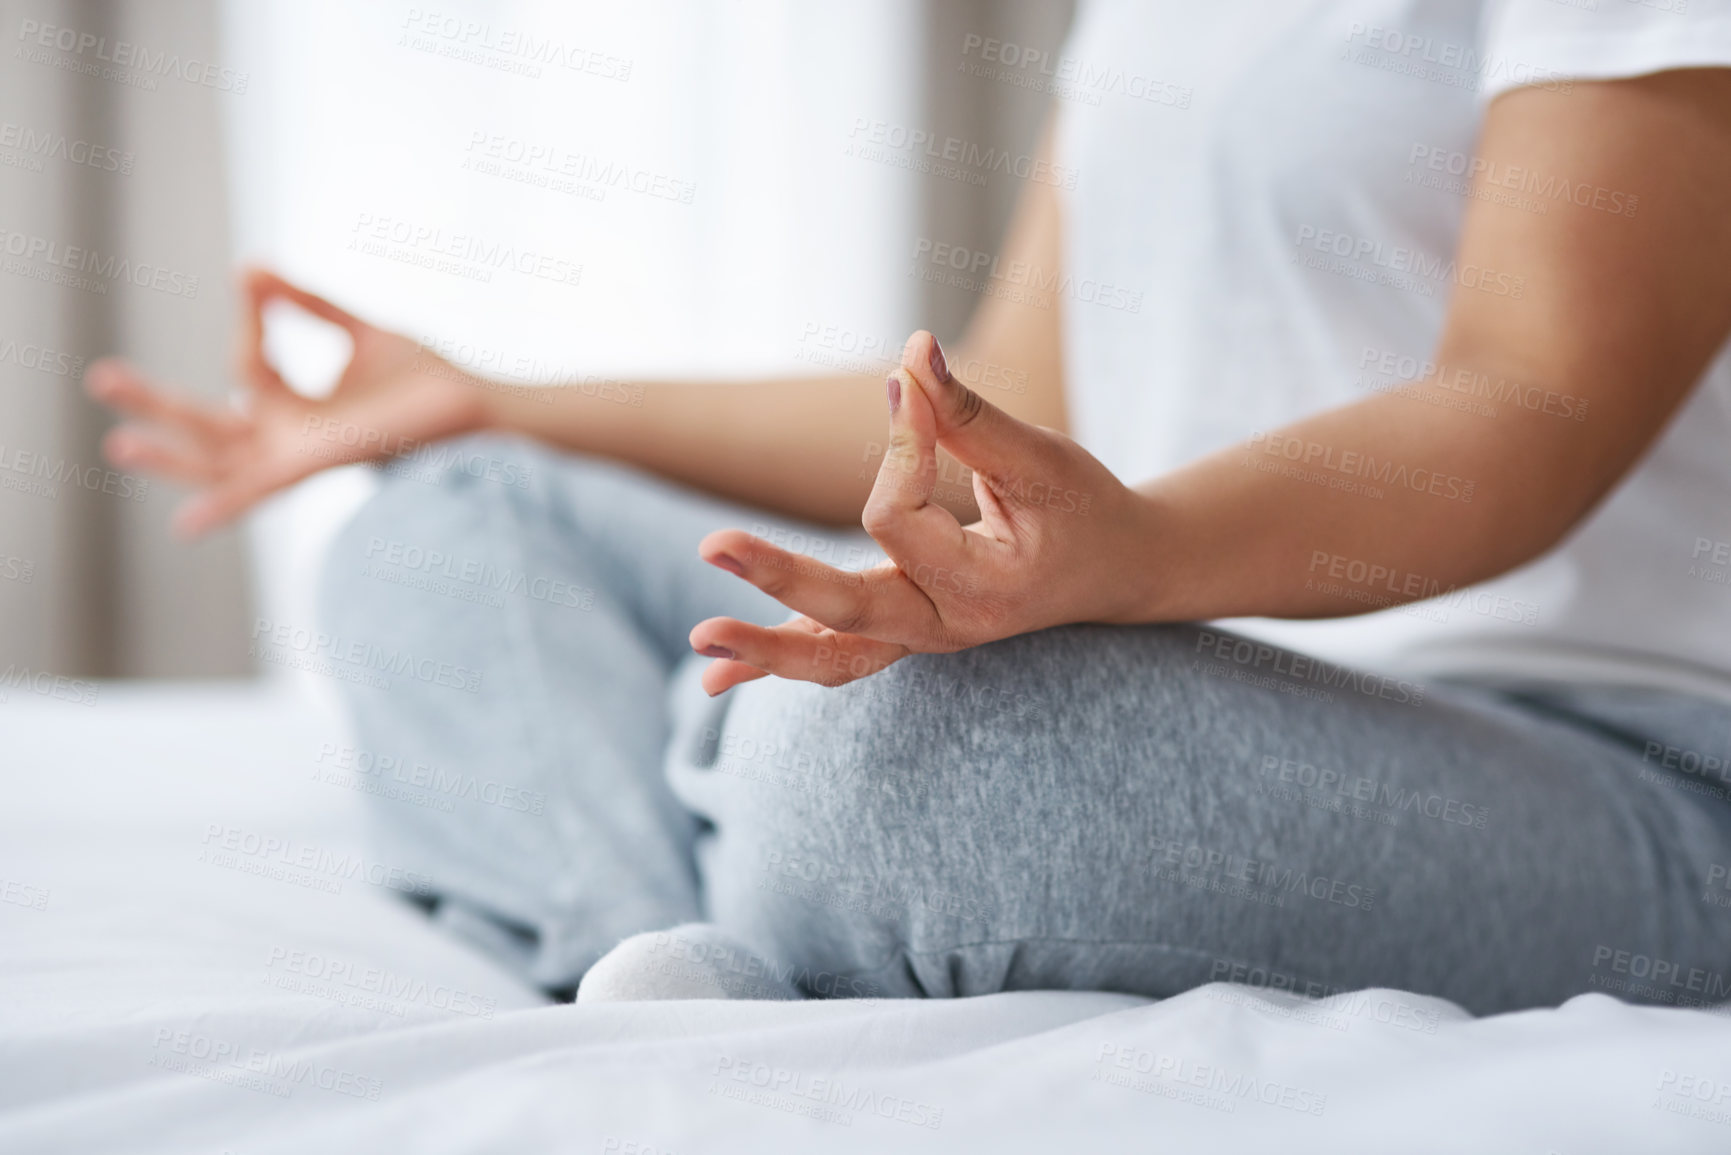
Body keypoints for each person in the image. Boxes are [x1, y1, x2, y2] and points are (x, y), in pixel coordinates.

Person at [87, 2, 1731, 1014]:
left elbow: (1535, 400)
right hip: (1169, 659)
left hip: (1610, 757)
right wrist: (499, 399)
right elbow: (1004, 409)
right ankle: (656, 967)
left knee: (878, 745)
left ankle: (709, 859)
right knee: (452, 523)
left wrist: (1139, 555)